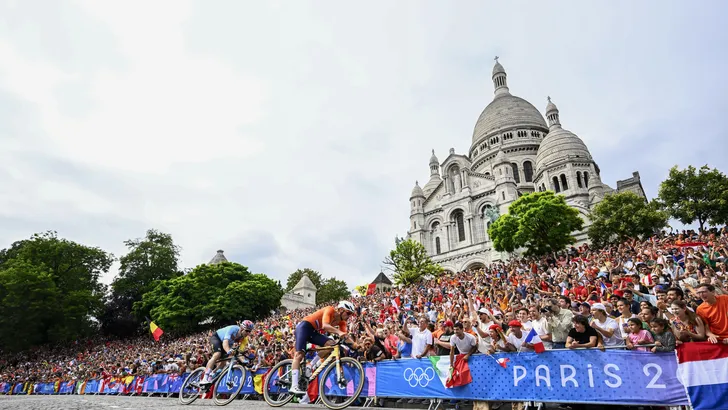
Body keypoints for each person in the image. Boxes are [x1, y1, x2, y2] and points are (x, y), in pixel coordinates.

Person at [289, 301, 356, 394]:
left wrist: (356, 346)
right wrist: (339, 332)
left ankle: (310, 366)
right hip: (304, 327)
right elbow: (325, 326)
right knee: (299, 355)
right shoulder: (330, 309)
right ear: (340, 310)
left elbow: (346, 336)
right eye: (348, 313)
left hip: (314, 332)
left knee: (331, 345)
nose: (349, 316)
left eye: (351, 314)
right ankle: (294, 386)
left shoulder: (342, 323)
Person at [200, 320, 254, 385]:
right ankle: (205, 377)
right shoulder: (233, 329)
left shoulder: (244, 339)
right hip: (217, 338)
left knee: (224, 363)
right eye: (247, 331)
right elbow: (225, 343)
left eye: (249, 331)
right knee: (217, 354)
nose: (248, 333)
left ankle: (211, 375)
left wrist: (244, 361)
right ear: (242, 328)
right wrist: (228, 351)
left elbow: (240, 352)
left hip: (228, 343)